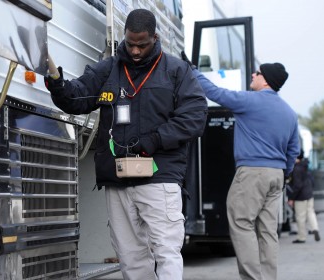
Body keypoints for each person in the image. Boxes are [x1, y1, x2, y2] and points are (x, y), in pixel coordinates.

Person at [44, 9, 208, 279]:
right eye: (130, 43)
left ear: (155, 38)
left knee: (166, 250)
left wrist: (154, 140)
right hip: (118, 177)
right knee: (130, 257)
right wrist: (56, 82)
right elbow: (74, 99)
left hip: (160, 175)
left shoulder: (176, 70)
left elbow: (194, 117)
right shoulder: (109, 68)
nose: (134, 50)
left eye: (141, 45)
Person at [182, 52, 300, 280]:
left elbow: (215, 93)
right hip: (277, 175)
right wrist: (283, 173)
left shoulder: (249, 101)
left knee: (241, 222)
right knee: (268, 231)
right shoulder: (289, 113)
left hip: (252, 173)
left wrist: (194, 71)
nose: (254, 75)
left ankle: (252, 278)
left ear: (266, 80)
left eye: (258, 73)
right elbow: (293, 151)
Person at [288, 149, 320, 243]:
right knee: (311, 212)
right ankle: (315, 228)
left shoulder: (296, 168)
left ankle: (302, 237)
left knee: (300, 217)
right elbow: (312, 181)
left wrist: (291, 198)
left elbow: (297, 185)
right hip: (309, 193)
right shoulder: (305, 166)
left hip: (300, 196)